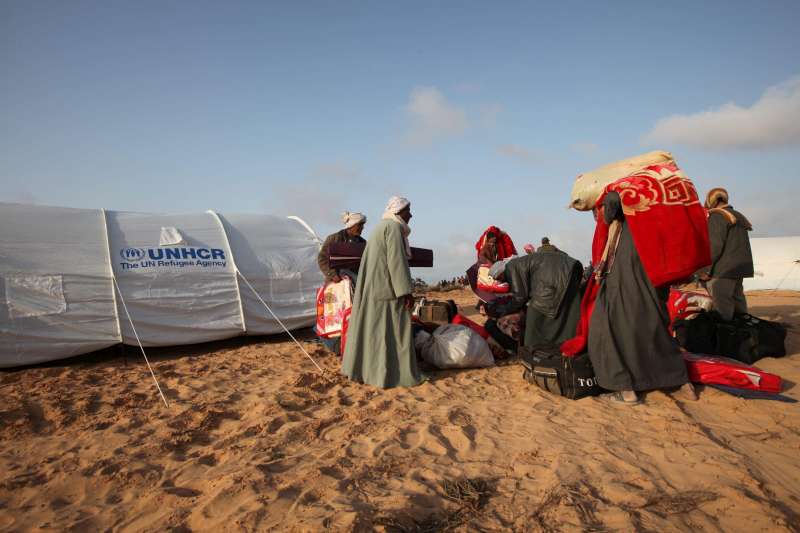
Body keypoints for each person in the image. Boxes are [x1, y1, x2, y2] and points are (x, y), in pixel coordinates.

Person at [588, 191, 694, 405]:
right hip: (653, 269)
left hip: (628, 269)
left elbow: (611, 206)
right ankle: (682, 382)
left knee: (607, 325)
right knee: (654, 323)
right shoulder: (656, 215)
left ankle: (625, 389)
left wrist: (607, 205)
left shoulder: (624, 216)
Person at [341, 196, 425, 388]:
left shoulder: (381, 227)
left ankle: (368, 372)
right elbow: (396, 262)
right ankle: (395, 375)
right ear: (399, 211)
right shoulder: (393, 228)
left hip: (375, 288)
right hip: (386, 290)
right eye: (408, 210)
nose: (410, 215)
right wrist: (406, 292)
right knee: (392, 333)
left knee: (373, 332)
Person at [700, 188, 754, 322]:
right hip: (738, 270)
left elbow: (715, 245)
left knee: (722, 312)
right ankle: (745, 338)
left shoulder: (717, 216)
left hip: (722, 272)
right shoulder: (738, 215)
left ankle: (726, 340)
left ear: (711, 201)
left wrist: (705, 270)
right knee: (739, 309)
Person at [317, 211, 367, 283]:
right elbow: (322, 258)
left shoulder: (363, 243)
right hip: (336, 283)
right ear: (352, 225)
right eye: (360, 225)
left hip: (356, 283)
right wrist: (332, 275)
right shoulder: (334, 239)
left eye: (362, 225)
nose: (362, 228)